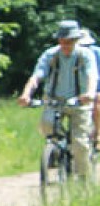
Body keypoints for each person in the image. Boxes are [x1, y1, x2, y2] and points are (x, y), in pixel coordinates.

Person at [18, 19, 97, 180]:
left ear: (76, 40)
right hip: (54, 101)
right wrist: (26, 94)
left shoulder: (85, 55)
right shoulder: (50, 55)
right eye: (62, 40)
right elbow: (36, 76)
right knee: (47, 126)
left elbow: (92, 75)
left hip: (79, 102)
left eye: (68, 41)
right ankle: (56, 152)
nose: (65, 44)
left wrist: (89, 93)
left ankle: (84, 180)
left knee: (80, 144)